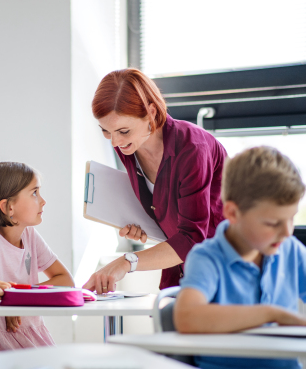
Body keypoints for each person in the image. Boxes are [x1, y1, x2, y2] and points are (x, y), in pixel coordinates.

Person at [174, 146, 306, 369]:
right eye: (272, 223)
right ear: (233, 213)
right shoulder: (207, 258)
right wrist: (272, 314)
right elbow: (187, 318)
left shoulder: (289, 249)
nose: (287, 232)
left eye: (291, 219)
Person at [84, 68, 227, 294]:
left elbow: (192, 238)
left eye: (123, 130)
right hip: (177, 271)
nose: (114, 142)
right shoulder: (129, 146)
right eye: (106, 131)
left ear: (151, 112)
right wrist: (143, 225)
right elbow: (170, 213)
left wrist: (127, 261)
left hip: (222, 272)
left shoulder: (192, 148)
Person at [0, 162, 74, 352]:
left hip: (30, 334)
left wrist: (19, 298)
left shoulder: (30, 235)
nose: (43, 201)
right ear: (8, 207)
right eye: (34, 193)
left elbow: (66, 280)